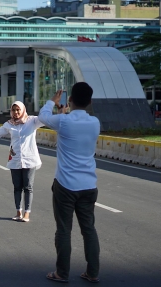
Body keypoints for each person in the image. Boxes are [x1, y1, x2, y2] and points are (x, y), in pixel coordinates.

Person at [38, 82, 100, 284]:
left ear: (70, 99)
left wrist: (52, 102)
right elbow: (71, 123)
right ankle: (92, 273)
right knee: (88, 229)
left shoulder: (64, 122)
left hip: (65, 186)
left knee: (64, 230)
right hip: (89, 185)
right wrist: (64, 113)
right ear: (90, 102)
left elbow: (43, 117)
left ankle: (61, 273)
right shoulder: (95, 123)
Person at [0, 101, 44, 222]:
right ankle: (18, 212)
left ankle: (27, 213)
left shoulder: (32, 121)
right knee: (17, 187)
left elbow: (47, 119)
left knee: (28, 187)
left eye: (18, 110)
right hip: (15, 159)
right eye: (13, 110)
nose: (16, 112)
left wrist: (60, 112)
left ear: (23, 110)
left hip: (30, 159)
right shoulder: (9, 124)